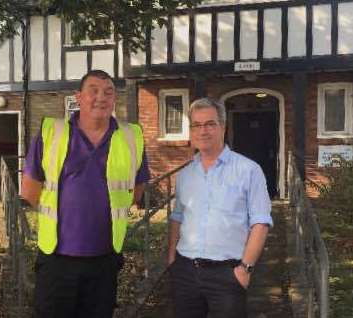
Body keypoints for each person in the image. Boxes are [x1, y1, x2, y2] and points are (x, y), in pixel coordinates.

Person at [21, 70, 150, 318]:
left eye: (108, 92)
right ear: (78, 97)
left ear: (115, 100)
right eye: (93, 90)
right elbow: (29, 191)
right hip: (56, 260)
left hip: (105, 260)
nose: (101, 97)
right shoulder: (52, 133)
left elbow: (135, 192)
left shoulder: (131, 136)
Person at [167, 97, 273, 318]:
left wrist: (245, 269)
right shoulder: (185, 174)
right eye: (196, 125)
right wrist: (172, 259)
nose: (202, 131)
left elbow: (261, 223)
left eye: (210, 124)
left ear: (223, 127)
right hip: (186, 271)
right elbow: (178, 217)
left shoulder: (249, 170)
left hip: (227, 274)